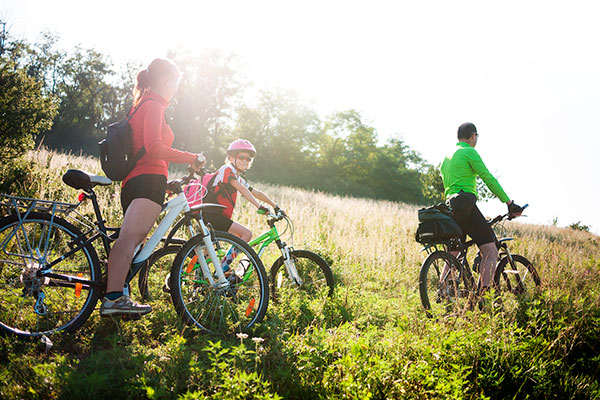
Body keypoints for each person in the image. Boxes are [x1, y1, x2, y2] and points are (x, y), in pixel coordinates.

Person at [100, 58, 205, 317]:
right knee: (130, 239)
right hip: (146, 181)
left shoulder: (142, 104)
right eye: (176, 82)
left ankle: (119, 293)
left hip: (140, 180)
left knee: (132, 239)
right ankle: (113, 298)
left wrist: (165, 181)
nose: (177, 87)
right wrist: (191, 157)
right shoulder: (154, 104)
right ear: (166, 80)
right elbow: (155, 147)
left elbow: (145, 151)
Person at [440, 122, 523, 293]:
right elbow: (488, 178)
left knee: (454, 253)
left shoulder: (446, 156)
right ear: (473, 136)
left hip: (450, 208)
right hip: (466, 204)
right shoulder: (469, 152)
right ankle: (481, 298)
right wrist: (509, 203)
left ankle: (442, 290)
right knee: (491, 251)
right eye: (476, 137)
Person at [202, 139, 278, 242]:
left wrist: (275, 206)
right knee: (246, 235)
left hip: (216, 215)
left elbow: (255, 192)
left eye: (248, 159)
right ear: (231, 157)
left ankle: (203, 258)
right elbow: (241, 189)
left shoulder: (237, 177)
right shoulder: (226, 169)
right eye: (241, 157)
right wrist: (259, 206)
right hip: (212, 215)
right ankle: (229, 259)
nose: (245, 161)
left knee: (210, 253)